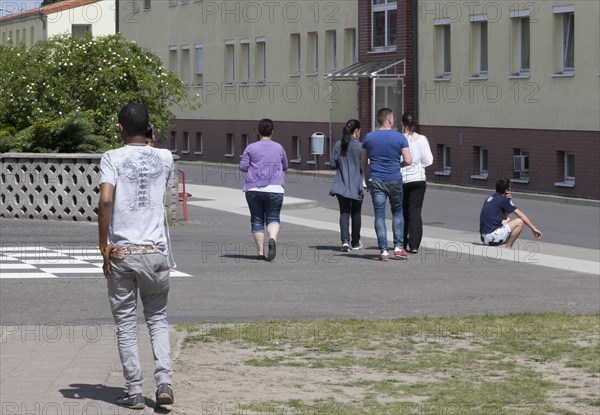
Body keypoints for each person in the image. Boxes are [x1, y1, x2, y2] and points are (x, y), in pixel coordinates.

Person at [98, 103, 175, 410]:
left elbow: (106, 199)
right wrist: (151, 144)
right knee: (157, 318)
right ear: (149, 129)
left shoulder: (111, 158)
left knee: (127, 324)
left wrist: (103, 247)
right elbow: (159, 182)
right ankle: (164, 382)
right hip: (155, 253)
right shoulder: (166, 157)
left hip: (121, 252)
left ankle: (133, 391)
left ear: (120, 128)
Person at [361, 108, 413, 261]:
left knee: (379, 215)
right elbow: (409, 160)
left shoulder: (369, 138)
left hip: (376, 179)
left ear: (378, 120)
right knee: (397, 212)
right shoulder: (399, 137)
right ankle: (398, 247)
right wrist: (400, 165)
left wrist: (366, 179)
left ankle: (383, 250)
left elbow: (363, 162)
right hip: (394, 178)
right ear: (390, 120)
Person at [239, 118, 289, 261]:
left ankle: (260, 253)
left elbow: (242, 167)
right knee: (273, 218)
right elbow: (285, 165)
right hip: (275, 189)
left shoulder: (250, 147)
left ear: (258, 131)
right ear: (272, 131)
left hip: (253, 188)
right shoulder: (279, 147)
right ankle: (272, 238)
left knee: (257, 220)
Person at [400, 112, 434, 254]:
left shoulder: (399, 139)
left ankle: (401, 242)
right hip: (418, 179)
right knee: (415, 212)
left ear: (402, 124)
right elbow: (429, 160)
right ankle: (414, 245)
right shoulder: (422, 139)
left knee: (402, 212)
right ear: (414, 123)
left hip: (402, 178)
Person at [329, 119, 364, 251]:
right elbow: (364, 166)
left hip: (341, 186)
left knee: (344, 213)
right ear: (357, 131)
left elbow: (332, 165)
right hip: (356, 186)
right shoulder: (361, 147)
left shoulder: (338, 144)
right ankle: (355, 242)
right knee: (356, 213)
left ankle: (344, 241)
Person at [479, 178, 542, 248]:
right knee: (519, 222)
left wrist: (508, 200)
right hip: (492, 238)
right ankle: (508, 247)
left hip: (484, 238)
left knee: (508, 220)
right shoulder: (503, 200)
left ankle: (499, 242)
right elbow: (521, 215)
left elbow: (504, 217)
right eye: (509, 188)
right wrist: (533, 228)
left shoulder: (490, 198)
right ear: (506, 190)